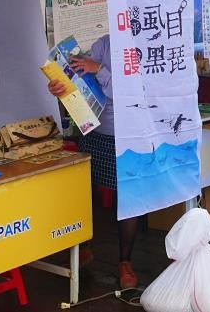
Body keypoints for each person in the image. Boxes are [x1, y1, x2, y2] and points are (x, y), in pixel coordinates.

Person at [46, 35, 140, 289]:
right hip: (95, 130)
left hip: (129, 132)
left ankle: (125, 261)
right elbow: (84, 83)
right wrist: (62, 87)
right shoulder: (102, 43)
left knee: (128, 197)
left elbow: (135, 89)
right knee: (84, 190)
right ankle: (84, 247)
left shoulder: (143, 38)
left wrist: (99, 68)